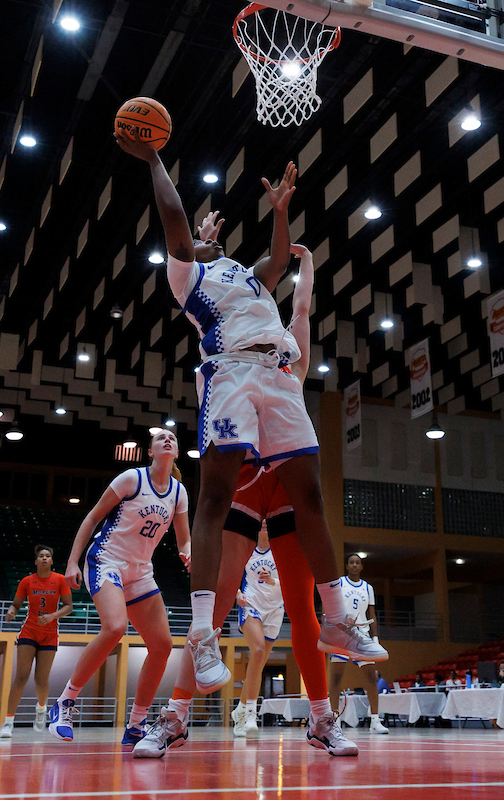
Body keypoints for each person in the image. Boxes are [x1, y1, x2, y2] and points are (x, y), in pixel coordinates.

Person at [115, 128, 386, 697]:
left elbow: (279, 258)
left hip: (279, 376)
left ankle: (338, 616)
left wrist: (281, 212)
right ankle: (203, 636)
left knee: (311, 495)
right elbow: (175, 221)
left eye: (212, 239)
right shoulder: (190, 278)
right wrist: (155, 157)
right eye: (202, 240)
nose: (209, 240)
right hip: (231, 373)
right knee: (214, 498)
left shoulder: (247, 278)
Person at [132, 238, 358, 759]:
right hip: (246, 483)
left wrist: (309, 265)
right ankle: (175, 716)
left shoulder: (290, 367)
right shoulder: (237, 364)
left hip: (283, 491)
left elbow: (302, 307)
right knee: (219, 598)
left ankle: (323, 718)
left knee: (303, 608)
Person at [45, 431, 189, 745]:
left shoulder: (179, 493)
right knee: (115, 627)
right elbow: (93, 517)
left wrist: (188, 553)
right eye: (161, 438)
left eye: (172, 438)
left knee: (163, 645)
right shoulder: (131, 479)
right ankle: (64, 703)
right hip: (106, 559)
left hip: (140, 571)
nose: (167, 440)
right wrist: (72, 562)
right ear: (150, 450)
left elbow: (184, 539)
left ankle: (136, 724)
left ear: (177, 452)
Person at [0, 545, 72, 739]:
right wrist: (12, 611)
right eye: (41, 556)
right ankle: (8, 722)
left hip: (50, 632)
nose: (44, 558)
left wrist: (52, 616)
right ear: (36, 561)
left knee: (41, 680)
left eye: (48, 556)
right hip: (29, 630)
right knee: (21, 677)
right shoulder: (27, 581)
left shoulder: (59, 580)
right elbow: (16, 603)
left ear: (52, 561)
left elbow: (68, 606)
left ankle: (41, 709)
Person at [328, 554, 389, 734]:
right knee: (336, 678)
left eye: (357, 563)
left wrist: (375, 638)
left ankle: (375, 720)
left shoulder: (368, 588)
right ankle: (334, 719)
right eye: (351, 563)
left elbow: (372, 615)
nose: (354, 565)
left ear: (361, 567)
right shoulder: (339, 583)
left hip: (362, 635)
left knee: (371, 677)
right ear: (347, 566)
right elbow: (331, 606)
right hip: (341, 634)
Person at [231, 527, 282, 737]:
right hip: (251, 605)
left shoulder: (281, 551)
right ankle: (251, 713)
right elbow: (232, 575)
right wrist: (237, 594)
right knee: (258, 651)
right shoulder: (246, 550)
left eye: (267, 520)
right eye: (260, 519)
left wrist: (272, 581)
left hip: (276, 609)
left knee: (258, 664)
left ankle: (239, 711)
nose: (263, 523)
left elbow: (293, 582)